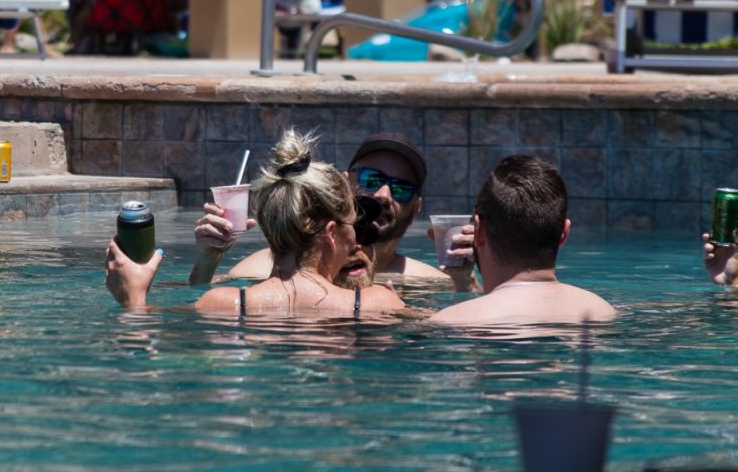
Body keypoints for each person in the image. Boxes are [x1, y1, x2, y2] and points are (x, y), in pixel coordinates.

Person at [106, 130, 405, 318]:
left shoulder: (223, 303)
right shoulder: (375, 303)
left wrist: (133, 298)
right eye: (352, 225)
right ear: (330, 233)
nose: (356, 240)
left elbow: (145, 331)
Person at [213, 132, 460, 288]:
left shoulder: (433, 283)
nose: (383, 195)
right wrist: (208, 258)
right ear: (343, 184)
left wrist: (465, 282)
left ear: (416, 208)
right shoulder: (269, 266)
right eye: (371, 179)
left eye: (401, 188)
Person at [429, 155, 615, 326]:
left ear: (478, 231)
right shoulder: (604, 312)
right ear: (564, 234)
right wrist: (465, 285)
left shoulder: (452, 321)